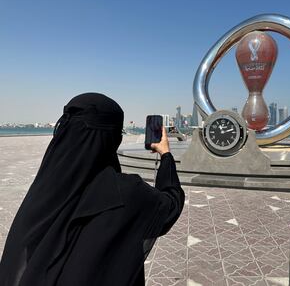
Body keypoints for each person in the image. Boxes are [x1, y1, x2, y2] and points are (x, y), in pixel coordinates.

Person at [0, 93, 185, 286]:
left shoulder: (45, 188)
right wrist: (165, 155)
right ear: (113, 138)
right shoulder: (126, 193)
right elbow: (171, 204)